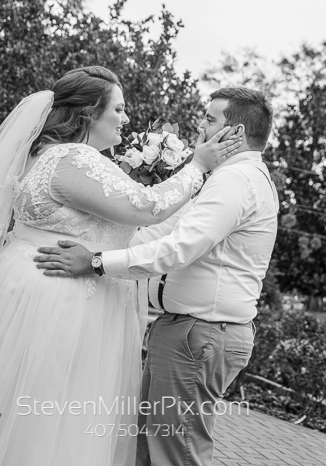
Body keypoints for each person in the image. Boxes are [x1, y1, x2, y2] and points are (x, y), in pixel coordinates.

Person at [0, 66, 241, 465]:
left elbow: (127, 224)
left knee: (6, 399)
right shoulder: (73, 157)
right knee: (41, 403)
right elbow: (146, 207)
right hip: (59, 297)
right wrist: (197, 166)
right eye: (119, 108)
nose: (126, 119)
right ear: (88, 114)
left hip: (38, 285)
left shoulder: (52, 156)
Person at [34, 87, 278, 465]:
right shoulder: (230, 180)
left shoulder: (236, 182)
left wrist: (96, 262)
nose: (201, 125)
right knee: (150, 448)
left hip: (201, 333)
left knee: (176, 452)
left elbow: (178, 249)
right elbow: (162, 232)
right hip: (188, 329)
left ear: (237, 134)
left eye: (211, 120)